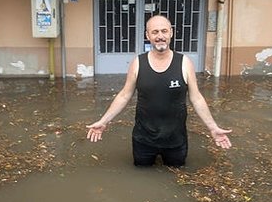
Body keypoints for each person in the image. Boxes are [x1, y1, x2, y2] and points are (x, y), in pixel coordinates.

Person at [86, 15, 232, 166]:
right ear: (147, 35)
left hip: (176, 140)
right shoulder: (138, 63)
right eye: (155, 32)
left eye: (164, 31)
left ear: (171, 33)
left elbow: (196, 98)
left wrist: (213, 127)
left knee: (177, 174)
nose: (160, 36)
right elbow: (124, 95)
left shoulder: (184, 63)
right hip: (143, 140)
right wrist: (103, 121)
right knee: (141, 173)